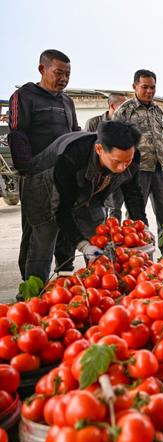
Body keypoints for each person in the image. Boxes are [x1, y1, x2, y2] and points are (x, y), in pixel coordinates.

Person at [22, 121, 149, 283]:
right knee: (45, 241)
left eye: (127, 161)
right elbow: (62, 208)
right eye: (116, 162)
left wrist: (142, 225)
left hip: (89, 191)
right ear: (99, 149)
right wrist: (82, 245)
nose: (123, 167)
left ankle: (100, 283)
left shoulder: (131, 155)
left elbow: (133, 193)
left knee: (98, 234)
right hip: (44, 187)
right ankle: (34, 294)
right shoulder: (71, 157)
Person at [8, 49, 81, 280]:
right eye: (59, 72)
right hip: (35, 176)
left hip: (64, 175)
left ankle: (65, 274)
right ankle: (31, 284)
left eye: (68, 74)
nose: (64, 79)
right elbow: (17, 133)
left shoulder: (67, 102)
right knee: (36, 231)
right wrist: (27, 170)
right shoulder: (25, 96)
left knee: (66, 225)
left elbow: (74, 133)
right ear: (42, 69)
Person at [114, 69, 163, 256]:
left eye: (153, 87)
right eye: (144, 87)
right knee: (136, 216)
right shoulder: (124, 110)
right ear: (134, 86)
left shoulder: (158, 110)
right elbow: (116, 142)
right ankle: (139, 256)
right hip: (137, 170)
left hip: (160, 168)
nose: (149, 91)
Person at [85, 93, 128, 220]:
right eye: (123, 107)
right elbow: (87, 149)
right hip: (97, 176)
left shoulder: (125, 126)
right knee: (97, 211)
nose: (126, 111)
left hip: (116, 174)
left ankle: (114, 238)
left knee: (115, 210)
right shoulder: (93, 123)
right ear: (113, 106)